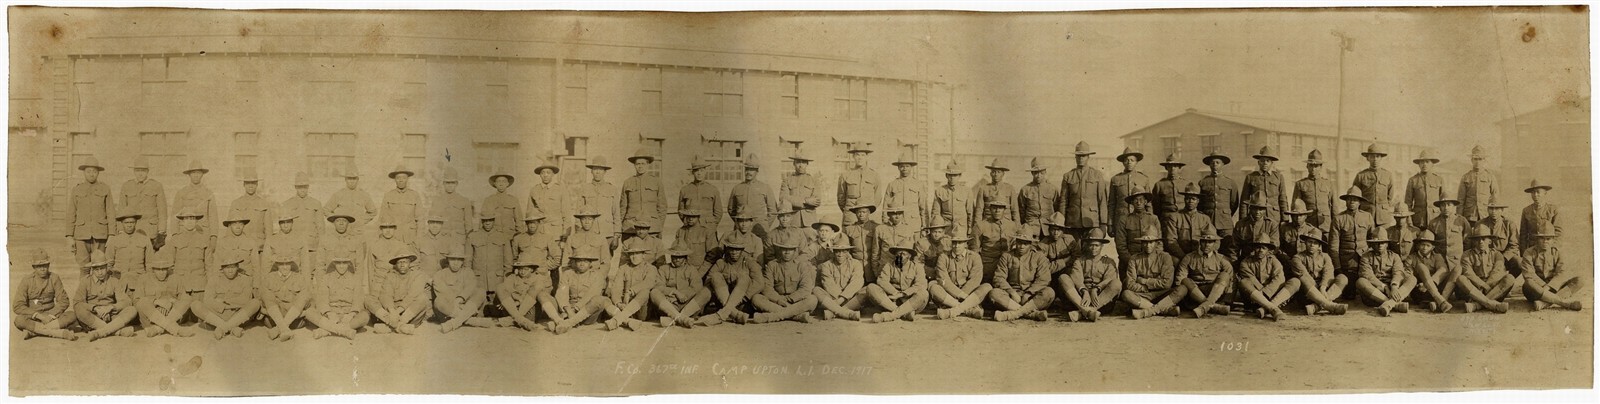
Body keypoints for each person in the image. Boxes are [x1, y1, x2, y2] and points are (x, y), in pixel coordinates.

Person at [13, 248, 80, 340]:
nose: (43, 269)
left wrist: (50, 315)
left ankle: (34, 332)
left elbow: (64, 301)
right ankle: (59, 333)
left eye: (45, 265)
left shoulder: (54, 278)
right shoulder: (26, 280)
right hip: (34, 317)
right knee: (19, 320)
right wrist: (39, 316)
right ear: (34, 267)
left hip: (52, 316)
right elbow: (17, 305)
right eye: (39, 266)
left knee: (72, 315)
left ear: (48, 265)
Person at [751, 235, 818, 324]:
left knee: (812, 299)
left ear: (795, 251)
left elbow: (805, 288)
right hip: (777, 302)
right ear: (780, 250)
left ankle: (771, 317)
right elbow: (767, 288)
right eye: (784, 249)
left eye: (790, 250)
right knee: (756, 298)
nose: (787, 252)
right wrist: (779, 300)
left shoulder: (801, 266)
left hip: (796, 302)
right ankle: (797, 316)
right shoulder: (772, 265)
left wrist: (789, 299)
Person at [193, 252, 261, 339]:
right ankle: (231, 327)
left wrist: (225, 302)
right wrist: (223, 307)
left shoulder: (245, 279)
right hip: (217, 314)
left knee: (255, 303)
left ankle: (222, 328)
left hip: (237, 314)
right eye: (227, 267)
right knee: (195, 305)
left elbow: (246, 299)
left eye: (233, 267)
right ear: (222, 268)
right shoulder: (214, 279)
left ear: (237, 267)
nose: (230, 270)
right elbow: (207, 300)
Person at [1123, 226, 1186, 319]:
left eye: (1151, 242)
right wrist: (1145, 288)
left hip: (1162, 294)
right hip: (1143, 295)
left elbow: (1167, 283)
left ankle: (1147, 311)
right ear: (1141, 243)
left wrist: (1144, 281)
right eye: (1145, 243)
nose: (1148, 246)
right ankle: (1164, 309)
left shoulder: (1165, 257)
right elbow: (1130, 284)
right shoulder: (1134, 259)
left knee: (1182, 289)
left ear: (1157, 243)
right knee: (1126, 294)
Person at [73, 252, 138, 340]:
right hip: (93, 317)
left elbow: (126, 301)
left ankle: (100, 332)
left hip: (111, 316)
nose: (100, 273)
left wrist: (111, 307)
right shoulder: (85, 281)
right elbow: (77, 302)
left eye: (102, 268)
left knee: (132, 309)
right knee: (79, 309)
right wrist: (94, 308)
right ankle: (116, 331)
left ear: (107, 267)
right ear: (92, 269)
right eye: (97, 269)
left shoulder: (114, 281)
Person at [1060, 229, 1118, 322]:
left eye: (1096, 245)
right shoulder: (1079, 261)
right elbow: (1076, 278)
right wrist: (1084, 291)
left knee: (1117, 283)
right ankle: (1087, 311)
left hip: (1100, 300)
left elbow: (1109, 279)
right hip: (1082, 299)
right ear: (1087, 246)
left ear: (1102, 246)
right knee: (1063, 278)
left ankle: (1083, 312)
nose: (1093, 248)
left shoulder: (1108, 262)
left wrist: (1096, 288)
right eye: (1091, 245)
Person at [929, 232, 990, 320]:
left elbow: (975, 280)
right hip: (951, 295)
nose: (956, 246)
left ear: (965, 244)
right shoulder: (943, 257)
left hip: (969, 293)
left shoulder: (975, 257)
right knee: (933, 286)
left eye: (960, 243)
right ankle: (968, 310)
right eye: (954, 243)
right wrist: (961, 295)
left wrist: (965, 294)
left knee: (987, 287)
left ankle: (952, 311)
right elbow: (943, 280)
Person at [133, 251, 195, 337]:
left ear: (168, 269)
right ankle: (176, 329)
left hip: (171, 314)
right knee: (142, 302)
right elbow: (136, 302)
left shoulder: (175, 278)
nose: (161, 272)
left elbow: (183, 299)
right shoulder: (143, 279)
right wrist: (156, 302)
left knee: (188, 299)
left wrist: (172, 301)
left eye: (164, 269)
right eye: (158, 269)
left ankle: (158, 328)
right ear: (153, 269)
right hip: (151, 317)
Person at [432, 245, 493, 333]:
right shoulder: (439, 275)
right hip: (449, 310)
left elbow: (470, 288)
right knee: (438, 301)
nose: (456, 263)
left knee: (481, 291)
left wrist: (460, 299)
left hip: (466, 306)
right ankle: (472, 321)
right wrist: (457, 304)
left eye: (459, 260)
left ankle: (454, 323)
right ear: (448, 260)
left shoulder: (468, 272)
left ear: (462, 261)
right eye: (453, 259)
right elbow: (443, 293)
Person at [366, 253, 431, 334]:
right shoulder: (390, 276)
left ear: (410, 263)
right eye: (399, 262)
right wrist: (392, 311)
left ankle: (394, 325)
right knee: (369, 299)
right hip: (391, 312)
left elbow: (412, 295)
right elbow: (386, 295)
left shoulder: (418, 275)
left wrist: (397, 314)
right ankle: (399, 327)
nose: (402, 265)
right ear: (396, 265)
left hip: (408, 312)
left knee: (423, 298)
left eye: (405, 262)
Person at [306, 254, 368, 339]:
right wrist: (329, 313)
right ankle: (344, 331)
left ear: (348, 264)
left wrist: (351, 314)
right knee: (309, 312)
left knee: (365, 316)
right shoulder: (327, 278)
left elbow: (358, 300)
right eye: (339, 263)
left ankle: (325, 330)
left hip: (348, 315)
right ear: (334, 264)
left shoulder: (355, 278)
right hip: (331, 315)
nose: (341, 266)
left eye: (344, 263)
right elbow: (322, 299)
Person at [547, 249, 609, 334]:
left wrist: (575, 309)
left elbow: (591, 294)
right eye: (579, 261)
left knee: (599, 299)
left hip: (587, 313)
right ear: (574, 262)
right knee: (546, 296)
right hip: (568, 311)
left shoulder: (597, 275)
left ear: (590, 263)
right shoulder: (568, 274)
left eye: (585, 261)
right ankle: (565, 322)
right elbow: (562, 293)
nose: (582, 264)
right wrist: (568, 309)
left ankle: (566, 323)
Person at [1177, 227, 1234, 318]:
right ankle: (1213, 306)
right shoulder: (1189, 257)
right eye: (1204, 241)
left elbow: (1230, 278)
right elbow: (1180, 279)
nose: (1207, 245)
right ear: (1200, 242)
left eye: (1210, 242)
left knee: (1225, 275)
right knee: (1185, 280)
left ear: (1214, 243)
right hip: (1195, 292)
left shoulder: (1221, 259)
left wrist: (1228, 298)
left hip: (1215, 291)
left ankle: (1204, 307)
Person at [698, 242, 760, 325]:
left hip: (742, 302)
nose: (734, 252)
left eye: (737, 250)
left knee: (744, 278)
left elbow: (759, 283)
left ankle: (722, 314)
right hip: (722, 301)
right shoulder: (721, 262)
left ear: (742, 251)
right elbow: (709, 279)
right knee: (715, 276)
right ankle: (734, 314)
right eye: (732, 249)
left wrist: (744, 298)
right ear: (728, 250)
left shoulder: (749, 262)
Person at [1520, 230, 1583, 311]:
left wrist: (1549, 286)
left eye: (1548, 239)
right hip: (1536, 290)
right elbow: (1529, 274)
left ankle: (1544, 303)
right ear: (1537, 239)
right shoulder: (1529, 252)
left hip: (1554, 287)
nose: (1545, 241)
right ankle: (1564, 303)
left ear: (1553, 239)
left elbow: (1562, 272)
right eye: (1542, 238)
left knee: (1580, 281)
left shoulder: (1557, 252)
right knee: (1528, 283)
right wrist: (1544, 287)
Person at [1355, 230, 1414, 316]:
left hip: (1393, 291)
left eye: (1382, 243)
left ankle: (1389, 304)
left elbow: (1398, 272)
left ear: (1387, 244)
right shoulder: (1366, 257)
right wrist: (1384, 287)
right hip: (1375, 292)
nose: (1379, 245)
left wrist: (1394, 287)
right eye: (1376, 243)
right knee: (1360, 281)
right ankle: (1394, 304)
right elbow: (1367, 275)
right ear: (1372, 244)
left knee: (1412, 278)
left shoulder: (1394, 256)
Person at [866, 244, 930, 323]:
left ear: (909, 256)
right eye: (898, 254)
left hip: (911, 301)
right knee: (871, 287)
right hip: (892, 301)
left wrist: (902, 294)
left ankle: (891, 316)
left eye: (903, 254)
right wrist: (894, 292)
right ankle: (905, 313)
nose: (900, 256)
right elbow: (882, 280)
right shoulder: (889, 265)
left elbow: (920, 284)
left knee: (924, 293)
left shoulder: (917, 267)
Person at [1236, 237, 1296, 321]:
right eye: (1258, 247)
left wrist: (1266, 293)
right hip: (1255, 297)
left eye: (1263, 248)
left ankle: (1265, 308)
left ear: (1268, 250)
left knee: (1295, 282)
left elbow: (1279, 279)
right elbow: (1252, 280)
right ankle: (1273, 308)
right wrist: (1261, 295)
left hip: (1272, 294)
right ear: (1253, 249)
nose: (1260, 250)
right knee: (1243, 282)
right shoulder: (1245, 262)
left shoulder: (1273, 261)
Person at [68, 156, 113, 266]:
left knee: (100, 266)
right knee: (84, 268)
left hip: (100, 234)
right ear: (84, 172)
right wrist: (69, 236)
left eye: (94, 171)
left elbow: (111, 212)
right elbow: (71, 213)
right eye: (88, 171)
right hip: (81, 235)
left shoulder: (105, 189)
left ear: (98, 173)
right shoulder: (77, 190)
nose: (91, 174)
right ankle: (85, 284)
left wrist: (112, 234)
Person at [1457, 225, 1513, 313]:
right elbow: (1468, 273)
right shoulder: (1466, 255)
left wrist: (1487, 286)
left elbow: (1497, 272)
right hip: (1475, 288)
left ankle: (1476, 305)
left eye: (1484, 239)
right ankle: (1492, 304)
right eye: (1477, 239)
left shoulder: (1497, 254)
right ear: (1474, 241)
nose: (1481, 242)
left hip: (1493, 289)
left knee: (1510, 278)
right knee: (1461, 279)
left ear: (1490, 241)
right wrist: (1483, 285)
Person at [1291, 228, 1348, 315]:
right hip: (1307, 293)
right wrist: (1318, 291)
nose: (1312, 245)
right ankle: (1330, 306)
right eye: (1310, 242)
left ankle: (1316, 307)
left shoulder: (1325, 256)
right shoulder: (1297, 258)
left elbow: (1328, 273)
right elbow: (1305, 276)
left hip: (1324, 291)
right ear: (1305, 242)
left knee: (1342, 278)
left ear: (1319, 246)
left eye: (1315, 243)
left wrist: (1323, 287)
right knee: (1302, 278)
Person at [1059, 141, 1108, 238]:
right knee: (1073, 250)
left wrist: (1103, 223)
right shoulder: (1068, 176)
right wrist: (1060, 222)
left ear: (1088, 157)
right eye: (1078, 156)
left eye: (1084, 156)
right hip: (1073, 222)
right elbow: (1063, 201)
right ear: (1075, 157)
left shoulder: (1097, 175)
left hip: (1092, 222)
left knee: (1090, 250)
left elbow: (1102, 200)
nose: (1081, 158)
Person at [255, 254, 310, 341]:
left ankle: (278, 330)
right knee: (266, 295)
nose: (285, 267)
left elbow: (305, 301)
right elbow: (261, 302)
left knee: (303, 297)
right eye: (281, 264)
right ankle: (284, 329)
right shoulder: (269, 278)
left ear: (291, 265)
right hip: (273, 319)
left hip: (294, 319)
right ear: (277, 265)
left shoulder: (299, 278)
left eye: (287, 264)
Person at [604, 245, 658, 331]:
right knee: (606, 301)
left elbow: (649, 282)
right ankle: (628, 321)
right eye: (631, 254)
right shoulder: (623, 268)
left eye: (637, 253)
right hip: (624, 305)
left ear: (643, 255)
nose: (634, 257)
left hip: (641, 308)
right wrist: (618, 303)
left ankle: (618, 319)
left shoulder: (651, 268)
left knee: (645, 292)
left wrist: (630, 291)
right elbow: (616, 288)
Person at [652, 249, 711, 328]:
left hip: (688, 305)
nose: (677, 259)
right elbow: (658, 286)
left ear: (685, 258)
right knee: (654, 292)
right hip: (670, 305)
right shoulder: (663, 269)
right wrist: (675, 292)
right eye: (675, 257)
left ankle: (675, 318)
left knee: (706, 292)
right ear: (671, 256)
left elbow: (697, 287)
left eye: (680, 257)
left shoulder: (691, 269)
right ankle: (683, 319)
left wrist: (683, 295)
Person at [496, 253, 555, 331]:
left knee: (535, 293)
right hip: (515, 308)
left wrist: (517, 301)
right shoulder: (513, 277)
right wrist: (507, 301)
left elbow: (534, 295)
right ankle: (518, 320)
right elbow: (506, 291)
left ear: (531, 269)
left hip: (530, 309)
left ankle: (515, 319)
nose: (522, 272)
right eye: (520, 269)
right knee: (500, 287)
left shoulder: (538, 278)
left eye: (525, 269)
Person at [1198, 151, 1241, 259]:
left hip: (1225, 222)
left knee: (1227, 247)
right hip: (1208, 221)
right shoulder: (1203, 182)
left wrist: (1225, 214)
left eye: (1218, 162)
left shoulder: (1230, 183)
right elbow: (1200, 204)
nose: (1215, 165)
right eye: (1212, 163)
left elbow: (1234, 203)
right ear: (1209, 165)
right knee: (1208, 247)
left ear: (1222, 165)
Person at [814, 237, 867, 321]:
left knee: (866, 290)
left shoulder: (856, 264)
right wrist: (837, 299)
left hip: (849, 299)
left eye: (844, 251)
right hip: (833, 298)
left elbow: (856, 283)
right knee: (816, 290)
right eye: (837, 251)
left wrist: (841, 299)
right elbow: (828, 284)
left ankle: (833, 312)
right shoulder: (826, 265)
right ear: (833, 252)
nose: (840, 254)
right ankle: (847, 313)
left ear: (848, 252)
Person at [728, 153, 777, 239]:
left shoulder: (765, 188)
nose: (748, 172)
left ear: (757, 171)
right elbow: (731, 209)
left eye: (752, 170)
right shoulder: (737, 188)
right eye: (747, 169)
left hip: (759, 230)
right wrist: (740, 222)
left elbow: (773, 211)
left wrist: (764, 224)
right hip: (741, 230)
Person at [1331, 187, 1375, 284]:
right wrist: (1337, 267)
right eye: (1349, 199)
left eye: (1355, 199)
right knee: (1349, 293)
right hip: (1347, 260)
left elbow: (1372, 239)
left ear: (1359, 202)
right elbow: (1334, 246)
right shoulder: (1338, 219)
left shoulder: (1367, 216)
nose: (1352, 202)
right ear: (1346, 201)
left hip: (1365, 258)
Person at [121, 156, 168, 247]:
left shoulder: (156, 186)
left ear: (147, 171)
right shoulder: (127, 186)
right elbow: (121, 210)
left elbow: (162, 211)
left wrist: (161, 231)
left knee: (150, 259)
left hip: (151, 231)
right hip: (132, 230)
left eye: (143, 171)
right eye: (138, 171)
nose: (140, 174)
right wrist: (121, 230)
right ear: (134, 171)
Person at [621, 147, 668, 235]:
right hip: (631, 227)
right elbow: (623, 207)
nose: (640, 166)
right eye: (638, 164)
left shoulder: (656, 182)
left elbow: (662, 207)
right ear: (634, 165)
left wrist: (659, 226)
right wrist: (621, 226)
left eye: (643, 163)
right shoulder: (628, 182)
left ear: (648, 164)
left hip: (651, 227)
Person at [1411, 231, 1460, 314]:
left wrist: (1430, 283)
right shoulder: (1412, 257)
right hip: (1420, 291)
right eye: (1422, 245)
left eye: (1428, 245)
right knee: (1421, 266)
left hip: (1436, 289)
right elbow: (1407, 273)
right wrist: (1421, 283)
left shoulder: (1437, 256)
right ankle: (1440, 301)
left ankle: (1440, 301)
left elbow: (1443, 270)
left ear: (1433, 247)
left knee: (1457, 269)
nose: (1425, 248)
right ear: (1418, 245)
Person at [575, 157, 621, 244]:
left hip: (607, 233)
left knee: (606, 257)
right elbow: (578, 211)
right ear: (591, 171)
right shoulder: (584, 188)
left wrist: (617, 235)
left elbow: (616, 213)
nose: (598, 172)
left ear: (605, 171)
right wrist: (578, 231)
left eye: (600, 169)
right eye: (595, 169)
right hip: (589, 232)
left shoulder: (612, 189)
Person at [1109, 148, 1151, 243]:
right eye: (1126, 160)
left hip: (1140, 220)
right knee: (1122, 247)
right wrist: (1110, 224)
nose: (1129, 162)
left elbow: (1148, 203)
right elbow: (1111, 203)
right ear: (1123, 162)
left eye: (1132, 160)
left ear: (1136, 162)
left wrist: (1150, 221)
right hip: (1121, 220)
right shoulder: (1115, 179)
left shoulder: (1144, 179)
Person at [1163, 183, 1214, 259]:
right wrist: (1184, 257)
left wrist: (1203, 255)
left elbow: (1214, 239)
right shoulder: (1174, 217)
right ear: (1184, 199)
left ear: (1198, 201)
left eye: (1193, 199)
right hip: (1180, 255)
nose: (1190, 201)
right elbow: (1171, 242)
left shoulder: (1204, 218)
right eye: (1188, 198)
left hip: (1200, 256)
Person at [168, 208, 211, 298]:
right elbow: (170, 264)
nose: (190, 222)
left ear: (196, 221)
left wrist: (210, 284)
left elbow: (209, 265)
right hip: (181, 283)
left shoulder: (204, 239)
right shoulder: (175, 239)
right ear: (182, 222)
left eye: (192, 219)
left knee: (199, 309)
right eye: (187, 219)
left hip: (199, 284)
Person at [1294, 150, 1337, 237]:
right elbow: (1295, 206)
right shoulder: (1300, 184)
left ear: (1321, 167)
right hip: (1309, 225)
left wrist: (1335, 225)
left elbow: (1334, 207)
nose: (1313, 168)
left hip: (1325, 226)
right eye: (1311, 166)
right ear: (1307, 166)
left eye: (1316, 166)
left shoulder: (1328, 184)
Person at [1354, 143, 1398, 229]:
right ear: (1368, 158)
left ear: (1381, 158)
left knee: (1383, 238)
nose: (1375, 159)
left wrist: (1383, 206)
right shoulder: (1361, 175)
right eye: (1372, 156)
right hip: (1366, 215)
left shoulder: (1388, 175)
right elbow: (1355, 195)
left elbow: (1390, 196)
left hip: (1383, 217)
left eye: (1377, 156)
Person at [837, 143, 880, 227]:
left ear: (867, 157)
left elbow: (877, 197)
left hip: (868, 214)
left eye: (863, 155)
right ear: (853, 157)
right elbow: (841, 197)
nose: (860, 157)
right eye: (857, 155)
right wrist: (849, 210)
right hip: (851, 214)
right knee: (849, 236)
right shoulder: (845, 175)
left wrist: (869, 210)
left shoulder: (874, 175)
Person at [1116, 185, 1160, 267]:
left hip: (1150, 260)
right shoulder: (1124, 220)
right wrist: (1131, 262)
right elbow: (1121, 246)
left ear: (1145, 202)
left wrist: (1153, 260)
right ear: (1132, 202)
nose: (1138, 202)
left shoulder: (1153, 219)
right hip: (1130, 259)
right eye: (1135, 200)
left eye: (1141, 200)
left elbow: (1159, 243)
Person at [172, 160, 218, 236]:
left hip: (203, 233)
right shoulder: (181, 193)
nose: (196, 175)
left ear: (202, 174)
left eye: (198, 173)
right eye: (193, 173)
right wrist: (175, 234)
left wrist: (213, 236)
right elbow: (175, 216)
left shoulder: (209, 193)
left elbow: (213, 217)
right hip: (184, 233)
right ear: (189, 174)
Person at [279, 172, 324, 250]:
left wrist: (321, 246)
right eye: (300, 187)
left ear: (308, 187)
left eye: (305, 187)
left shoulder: (316, 203)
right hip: (293, 244)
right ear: (296, 187)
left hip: (311, 244)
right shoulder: (287, 204)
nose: (302, 190)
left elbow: (321, 227)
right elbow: (283, 227)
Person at [365, 221, 417, 289]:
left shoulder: (402, 245)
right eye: (385, 228)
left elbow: (409, 268)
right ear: (381, 229)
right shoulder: (374, 246)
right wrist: (372, 288)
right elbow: (370, 269)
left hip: (397, 282)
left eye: (391, 228)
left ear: (395, 229)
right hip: (379, 282)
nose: (388, 231)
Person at [468, 214, 513, 291]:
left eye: (490, 220)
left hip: (497, 281)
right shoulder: (472, 236)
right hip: (479, 281)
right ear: (481, 221)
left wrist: (506, 280)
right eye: (485, 220)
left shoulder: (503, 236)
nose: (487, 223)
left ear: (494, 221)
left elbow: (508, 261)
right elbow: (467, 261)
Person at [319, 209, 366, 282]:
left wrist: (357, 284)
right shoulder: (325, 239)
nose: (341, 223)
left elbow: (360, 265)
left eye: (344, 221)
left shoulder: (356, 240)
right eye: (338, 221)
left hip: (350, 281)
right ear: (333, 223)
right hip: (330, 281)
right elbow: (320, 264)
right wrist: (322, 283)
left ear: (348, 223)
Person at [1477, 199, 1521, 276]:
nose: (1494, 211)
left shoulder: (1509, 224)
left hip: (1504, 257)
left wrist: (1502, 258)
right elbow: (1476, 243)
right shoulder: (1481, 223)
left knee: (1519, 262)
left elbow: (1514, 246)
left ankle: (1508, 282)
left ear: (1502, 210)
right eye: (1491, 208)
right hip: (1486, 256)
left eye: (1497, 209)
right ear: (1487, 210)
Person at [380, 165, 423, 244]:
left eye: (403, 178)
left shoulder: (414, 195)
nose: (401, 180)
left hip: (411, 237)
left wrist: (419, 238)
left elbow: (420, 219)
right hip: (393, 237)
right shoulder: (388, 195)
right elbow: (382, 218)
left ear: (407, 179)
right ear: (395, 180)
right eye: (398, 178)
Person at [430, 168, 474, 243]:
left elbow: (469, 225)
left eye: (452, 183)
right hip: (442, 239)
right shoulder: (437, 201)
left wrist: (468, 241)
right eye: (447, 183)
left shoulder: (464, 201)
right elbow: (432, 223)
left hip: (459, 240)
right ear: (443, 183)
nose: (450, 185)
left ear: (456, 184)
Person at [871, 204, 917, 276]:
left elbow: (911, 252)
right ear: (888, 214)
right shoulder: (880, 229)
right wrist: (876, 271)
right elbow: (875, 252)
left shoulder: (908, 229)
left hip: (902, 268)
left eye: (900, 213)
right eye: (894, 214)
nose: (897, 216)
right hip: (884, 266)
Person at [1017, 158, 1058, 237]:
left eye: (1041, 173)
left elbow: (1057, 209)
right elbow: (1021, 210)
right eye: (1036, 173)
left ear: (1045, 172)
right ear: (1032, 173)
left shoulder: (1052, 189)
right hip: (1031, 228)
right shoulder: (1025, 189)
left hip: (1048, 227)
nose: (1039, 176)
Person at [107, 209, 153, 280]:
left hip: (139, 278)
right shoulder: (114, 240)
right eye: (126, 222)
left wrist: (148, 279)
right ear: (122, 223)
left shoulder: (145, 239)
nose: (129, 225)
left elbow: (150, 263)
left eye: (132, 222)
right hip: (119, 278)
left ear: (136, 222)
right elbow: (108, 263)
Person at [214, 213, 263, 279]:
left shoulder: (251, 242)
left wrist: (255, 285)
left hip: (247, 279)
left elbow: (256, 266)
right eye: (234, 224)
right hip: (227, 280)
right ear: (230, 225)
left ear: (244, 226)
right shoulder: (222, 242)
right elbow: (216, 265)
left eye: (241, 224)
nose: (238, 227)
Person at [1457, 145, 1498, 224]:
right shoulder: (1466, 177)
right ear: (1471, 160)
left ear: (1484, 160)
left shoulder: (1490, 176)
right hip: (1469, 214)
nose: (1478, 161)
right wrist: (1459, 217)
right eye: (1475, 159)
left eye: (1480, 159)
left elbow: (1495, 196)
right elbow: (1460, 200)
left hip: (1485, 214)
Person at [783, 151, 826, 227]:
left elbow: (817, 201)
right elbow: (784, 198)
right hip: (793, 221)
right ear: (794, 163)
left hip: (810, 221)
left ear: (807, 164)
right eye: (798, 162)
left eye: (803, 162)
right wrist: (805, 201)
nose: (801, 165)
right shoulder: (787, 180)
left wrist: (794, 201)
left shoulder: (813, 180)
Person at [1405, 150, 1446, 229]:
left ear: (1432, 164)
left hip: (1435, 218)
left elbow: (1443, 202)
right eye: (1422, 162)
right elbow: (1408, 203)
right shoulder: (1413, 180)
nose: (1424, 164)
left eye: (1427, 162)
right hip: (1418, 220)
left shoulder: (1439, 180)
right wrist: (1409, 222)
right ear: (1419, 164)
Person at [228, 170, 273, 243]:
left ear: (257, 184)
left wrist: (267, 248)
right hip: (241, 245)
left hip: (259, 246)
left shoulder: (264, 203)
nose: (251, 186)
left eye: (253, 183)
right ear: (244, 184)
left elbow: (269, 230)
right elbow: (229, 229)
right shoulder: (236, 203)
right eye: (248, 183)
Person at [973, 158, 1018, 228]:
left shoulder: (1010, 189)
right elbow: (979, 211)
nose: (996, 174)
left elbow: (1015, 211)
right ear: (990, 173)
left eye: (999, 172)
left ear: (1003, 174)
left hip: (1006, 225)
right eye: (993, 172)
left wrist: (1016, 228)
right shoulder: (983, 189)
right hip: (988, 225)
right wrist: (977, 227)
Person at [680, 156, 723, 228]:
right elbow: (681, 211)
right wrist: (688, 223)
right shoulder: (685, 190)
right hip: (691, 228)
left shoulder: (713, 189)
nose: (699, 173)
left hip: (708, 228)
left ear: (705, 171)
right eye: (696, 170)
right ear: (693, 172)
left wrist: (712, 226)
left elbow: (718, 212)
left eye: (701, 170)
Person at [1518, 179, 1561, 251]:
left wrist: (1554, 247)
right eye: (1533, 192)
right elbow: (1523, 234)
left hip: (1548, 248)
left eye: (1538, 192)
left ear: (1545, 193)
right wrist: (1523, 252)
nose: (1535, 195)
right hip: (1532, 249)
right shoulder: (1526, 210)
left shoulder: (1553, 210)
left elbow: (1558, 232)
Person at [527, 160, 568, 237]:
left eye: (548, 172)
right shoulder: (534, 190)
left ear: (553, 174)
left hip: (556, 233)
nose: (545, 175)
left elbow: (566, 214)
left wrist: (564, 236)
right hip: (539, 233)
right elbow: (529, 214)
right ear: (540, 175)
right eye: (543, 172)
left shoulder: (560, 189)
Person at [934, 161, 974, 236]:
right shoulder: (940, 191)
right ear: (946, 175)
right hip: (945, 228)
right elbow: (936, 212)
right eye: (950, 175)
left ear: (959, 176)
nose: (952, 178)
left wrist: (970, 227)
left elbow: (970, 212)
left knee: (960, 247)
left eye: (955, 175)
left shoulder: (967, 191)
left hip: (961, 228)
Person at [1427, 194, 1468, 265]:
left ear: (1453, 206)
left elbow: (1468, 242)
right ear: (1439, 207)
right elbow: (1429, 244)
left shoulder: (1461, 221)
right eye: (1443, 205)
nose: (1446, 208)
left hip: (1458, 261)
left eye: (1449, 205)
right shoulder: (1433, 223)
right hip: (1440, 262)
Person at [483, 170, 525, 236]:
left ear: (507, 184)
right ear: (495, 184)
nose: (501, 184)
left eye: (504, 181)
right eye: (498, 181)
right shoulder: (488, 200)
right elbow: (483, 219)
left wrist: (520, 235)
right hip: (494, 236)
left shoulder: (513, 200)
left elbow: (519, 220)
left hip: (509, 235)